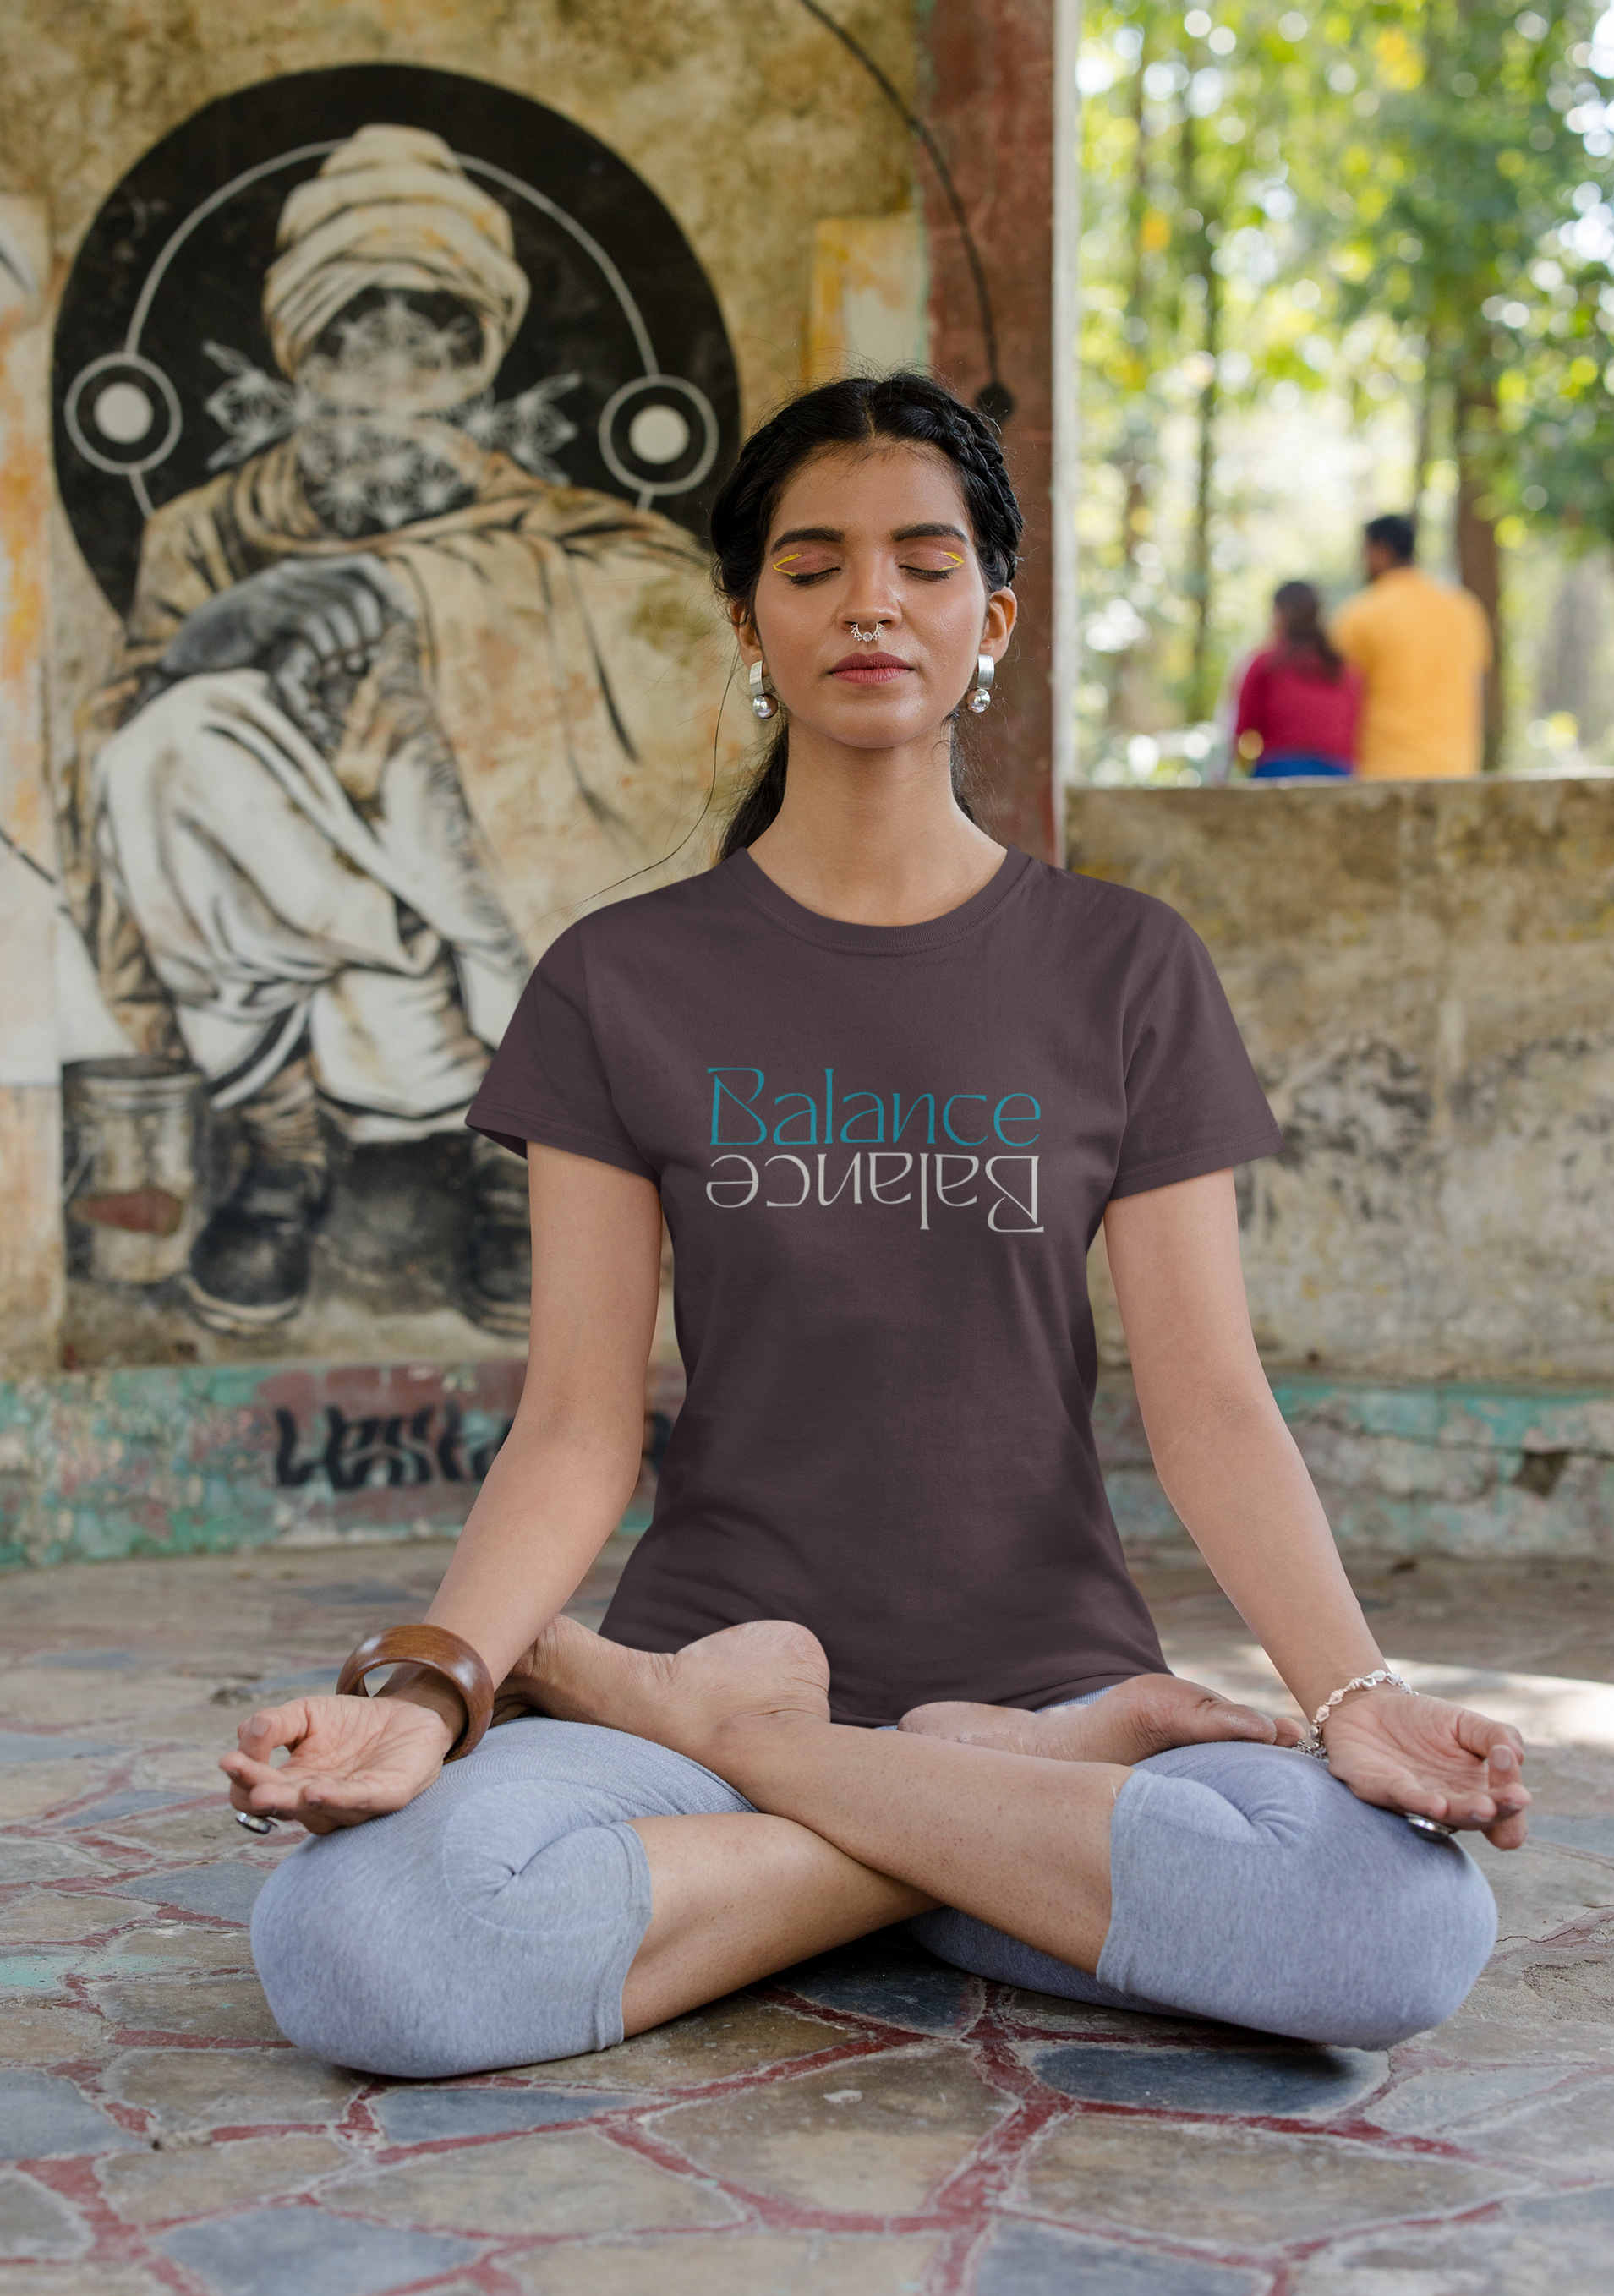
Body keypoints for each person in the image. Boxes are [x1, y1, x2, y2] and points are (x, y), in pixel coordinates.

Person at [224, 374, 1526, 2084]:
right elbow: (576, 1420)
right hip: (800, 1681)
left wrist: (1355, 1696)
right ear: (751, 622)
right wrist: (436, 1688)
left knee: (1400, 1919)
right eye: (813, 564)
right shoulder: (622, 982)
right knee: (356, 1947)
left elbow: (1210, 1404)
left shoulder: (1125, 970)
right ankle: (949, 1815)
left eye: (922, 562)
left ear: (990, 617)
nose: (870, 604)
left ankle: (804, 1778)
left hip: (1031, 1679)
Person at [62, 126, 741, 1334]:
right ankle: (280, 1154)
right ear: (298, 353)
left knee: (529, 696)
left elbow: (687, 634)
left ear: (478, 361)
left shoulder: (563, 533)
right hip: (303, 961)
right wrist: (233, 627)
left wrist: (418, 595)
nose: (391, 368)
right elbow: (119, 769)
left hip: (486, 966)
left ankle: (522, 1156)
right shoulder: (201, 536)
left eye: (429, 335)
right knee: (170, 739)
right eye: (354, 333)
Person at [1330, 513, 1493, 779]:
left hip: (1384, 773)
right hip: (1457, 770)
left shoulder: (1360, 614)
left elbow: (1339, 696)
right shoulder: (1464, 609)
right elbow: (1478, 683)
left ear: (1379, 552)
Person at [1230, 581, 1360, 779]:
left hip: (1278, 771)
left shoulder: (1264, 664)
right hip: (1339, 773)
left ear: (1279, 614)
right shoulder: (1344, 670)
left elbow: (1242, 731)